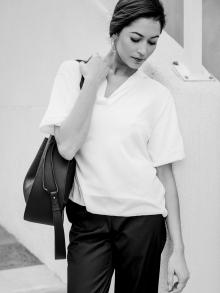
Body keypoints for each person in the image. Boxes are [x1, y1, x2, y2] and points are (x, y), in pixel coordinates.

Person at [39, 0, 190, 292]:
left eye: (152, 42)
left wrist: (179, 251)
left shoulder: (157, 96)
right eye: (135, 39)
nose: (143, 51)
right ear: (115, 32)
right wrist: (94, 80)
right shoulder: (73, 74)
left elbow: (165, 176)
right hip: (89, 222)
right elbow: (67, 147)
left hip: (143, 222)